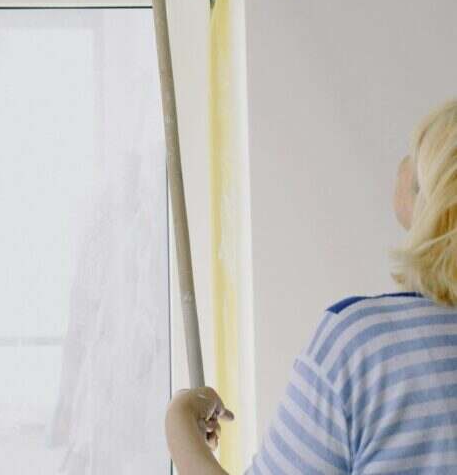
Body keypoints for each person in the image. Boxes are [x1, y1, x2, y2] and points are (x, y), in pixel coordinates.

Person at [165, 98, 457, 473]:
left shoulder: (365, 346)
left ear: (429, 197)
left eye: (413, 155)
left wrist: (180, 422)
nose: (401, 165)